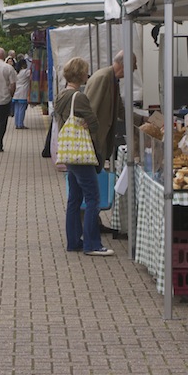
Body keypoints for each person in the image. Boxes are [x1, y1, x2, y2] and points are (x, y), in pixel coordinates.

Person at [55, 57, 113, 256]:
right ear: (80, 74)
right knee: (93, 198)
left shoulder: (61, 95)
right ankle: (92, 244)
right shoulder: (79, 97)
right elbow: (94, 123)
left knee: (74, 198)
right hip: (81, 153)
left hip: (69, 152)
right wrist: (88, 125)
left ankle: (74, 241)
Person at [84, 51, 135, 169]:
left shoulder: (112, 79)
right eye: (134, 64)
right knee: (89, 181)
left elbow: (120, 111)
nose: (136, 68)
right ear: (126, 65)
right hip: (93, 142)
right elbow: (90, 110)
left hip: (100, 141)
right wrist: (92, 142)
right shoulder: (103, 78)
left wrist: (143, 120)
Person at [13, 58, 31, 129]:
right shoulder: (25, 72)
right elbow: (33, 73)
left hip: (16, 92)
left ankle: (17, 123)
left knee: (17, 109)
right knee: (22, 109)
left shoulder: (16, 72)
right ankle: (20, 124)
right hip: (23, 92)